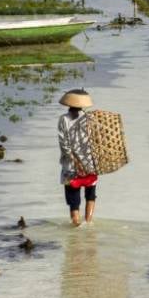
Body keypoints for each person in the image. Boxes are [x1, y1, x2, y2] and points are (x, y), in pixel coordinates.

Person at [58, 88, 97, 227]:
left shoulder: (64, 119)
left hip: (71, 165)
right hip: (89, 163)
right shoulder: (89, 118)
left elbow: (64, 144)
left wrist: (74, 160)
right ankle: (89, 223)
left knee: (74, 201)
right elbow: (95, 141)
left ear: (69, 104)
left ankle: (76, 225)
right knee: (90, 195)